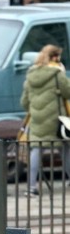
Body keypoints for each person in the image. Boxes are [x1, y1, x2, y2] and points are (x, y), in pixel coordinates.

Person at [21, 44, 70, 196]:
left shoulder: (30, 75)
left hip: (36, 119)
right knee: (65, 149)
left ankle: (31, 187)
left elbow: (24, 102)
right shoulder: (57, 73)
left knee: (36, 149)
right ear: (55, 57)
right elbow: (67, 92)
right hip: (56, 119)